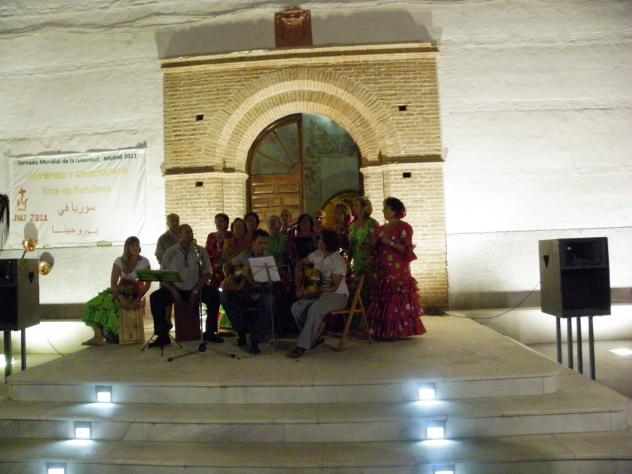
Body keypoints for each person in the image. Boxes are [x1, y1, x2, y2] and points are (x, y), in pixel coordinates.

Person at [149, 224, 223, 347]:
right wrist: (173, 291)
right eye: (187, 232)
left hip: (196, 287)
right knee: (155, 298)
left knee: (215, 295)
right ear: (179, 235)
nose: (190, 234)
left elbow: (207, 273)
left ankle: (210, 332)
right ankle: (162, 335)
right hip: (176, 289)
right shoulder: (171, 252)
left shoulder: (200, 251)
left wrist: (196, 290)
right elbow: (163, 276)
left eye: (191, 232)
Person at [366, 197, 426, 340]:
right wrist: (373, 243)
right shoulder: (380, 229)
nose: (383, 211)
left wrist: (389, 242)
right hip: (383, 269)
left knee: (396, 298)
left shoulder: (405, 227)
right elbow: (373, 250)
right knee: (384, 298)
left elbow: (406, 250)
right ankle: (383, 331)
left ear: (394, 210)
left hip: (398, 270)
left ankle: (398, 331)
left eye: (385, 208)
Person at [288, 230, 349, 358]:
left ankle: (302, 346)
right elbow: (300, 264)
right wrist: (299, 286)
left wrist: (316, 290)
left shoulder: (338, 261)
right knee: (296, 308)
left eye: (321, 239)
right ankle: (314, 337)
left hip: (337, 296)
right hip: (319, 293)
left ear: (327, 243)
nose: (318, 240)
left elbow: (333, 287)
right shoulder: (317, 254)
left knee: (315, 309)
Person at [82, 236, 151, 346]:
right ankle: (98, 337)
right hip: (120, 292)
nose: (135, 248)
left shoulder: (144, 262)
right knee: (99, 302)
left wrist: (139, 298)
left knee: (110, 304)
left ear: (140, 247)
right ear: (127, 247)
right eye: (132, 245)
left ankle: (115, 334)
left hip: (136, 293)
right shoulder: (119, 261)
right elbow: (113, 284)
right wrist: (120, 297)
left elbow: (148, 284)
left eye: (137, 245)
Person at [220, 229, 275, 354]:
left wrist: (265, 283)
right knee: (224, 295)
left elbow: (271, 282)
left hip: (261, 293)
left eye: (265, 243)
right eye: (260, 243)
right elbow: (227, 265)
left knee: (268, 301)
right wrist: (235, 276)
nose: (263, 246)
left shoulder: (268, 257)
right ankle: (240, 330)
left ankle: (255, 340)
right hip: (244, 292)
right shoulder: (245, 255)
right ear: (253, 242)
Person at [348, 197, 379, 303]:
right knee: (359, 290)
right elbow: (351, 245)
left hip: (370, 261)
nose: (354, 208)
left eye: (357, 206)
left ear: (364, 208)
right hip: (357, 262)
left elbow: (377, 242)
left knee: (370, 289)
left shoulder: (372, 223)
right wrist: (348, 261)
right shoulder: (352, 226)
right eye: (354, 206)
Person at [205, 213, 232, 287]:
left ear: (226, 223)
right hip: (213, 268)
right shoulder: (211, 236)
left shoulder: (230, 235)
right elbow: (206, 251)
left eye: (221, 221)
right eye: (216, 221)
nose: (218, 223)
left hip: (226, 268)